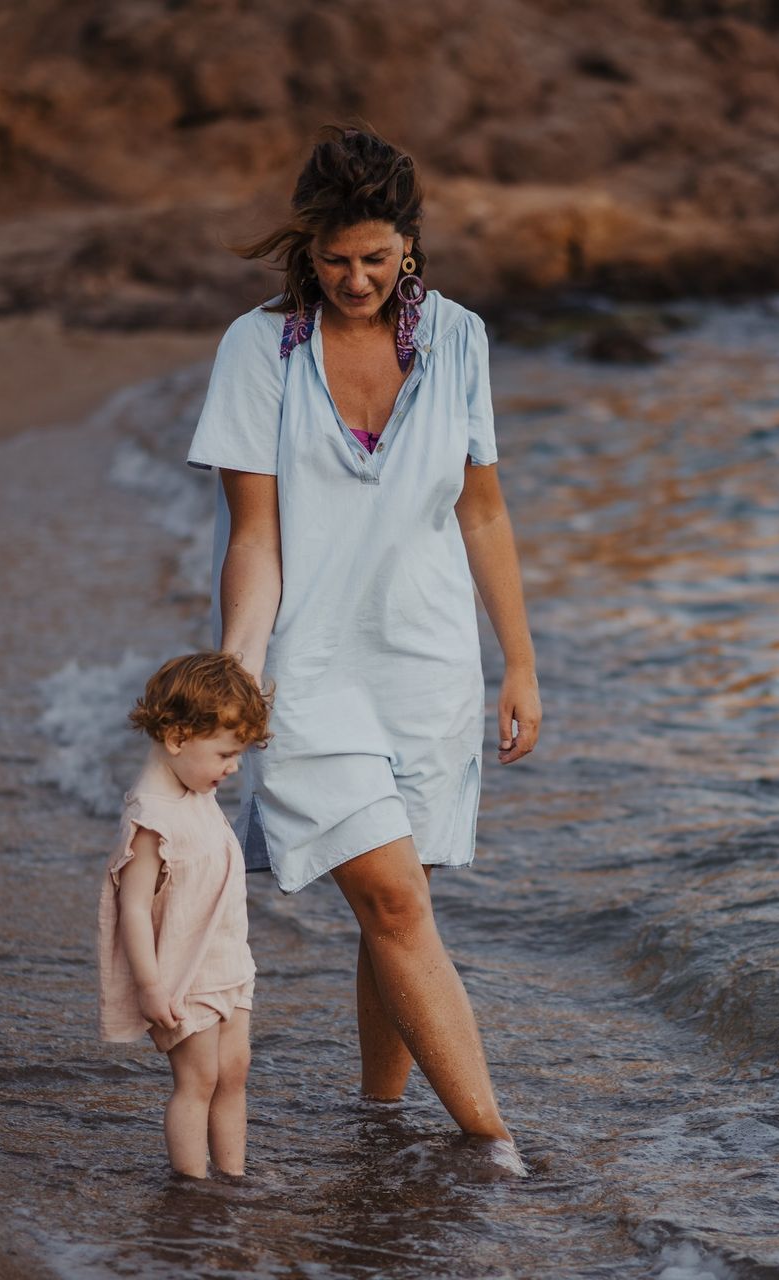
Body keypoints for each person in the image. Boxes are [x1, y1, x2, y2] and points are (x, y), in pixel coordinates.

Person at [185, 125, 539, 1173]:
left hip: (428, 667)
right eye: (336, 259)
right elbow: (254, 537)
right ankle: (495, 1145)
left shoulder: (460, 340)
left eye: (376, 258)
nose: (355, 280)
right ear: (309, 246)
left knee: (399, 907)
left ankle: (379, 1122)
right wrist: (239, 667)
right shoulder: (258, 350)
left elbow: (483, 510)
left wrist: (519, 661)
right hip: (309, 671)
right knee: (393, 901)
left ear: (409, 246)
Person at [97, 651, 271, 1179]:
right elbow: (132, 908)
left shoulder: (193, 785)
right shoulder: (152, 817)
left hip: (228, 963)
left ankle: (233, 1176)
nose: (233, 767)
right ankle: (191, 1187)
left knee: (234, 1073)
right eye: (225, 753)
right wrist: (150, 987)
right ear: (177, 738)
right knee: (198, 1081)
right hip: (184, 974)